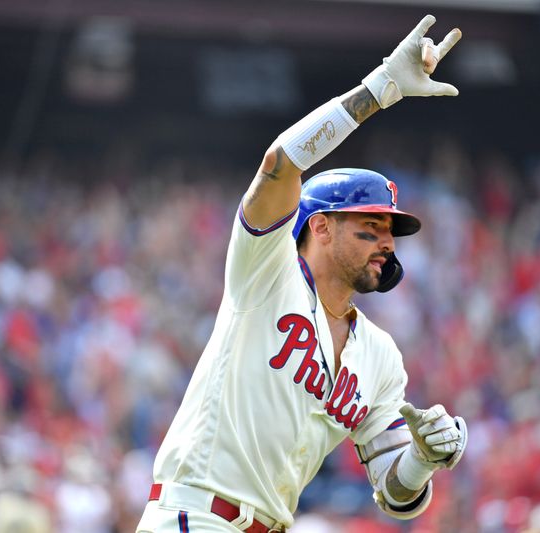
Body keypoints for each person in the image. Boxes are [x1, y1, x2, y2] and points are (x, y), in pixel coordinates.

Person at [137, 15, 468, 532]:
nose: (387, 242)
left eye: (391, 231)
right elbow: (279, 163)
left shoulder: (380, 356)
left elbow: (394, 493)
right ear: (321, 228)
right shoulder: (265, 271)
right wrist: (377, 90)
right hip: (197, 516)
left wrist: (424, 460)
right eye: (370, 226)